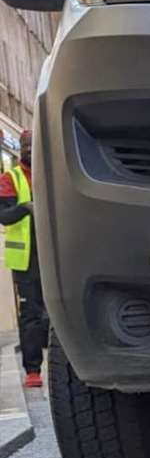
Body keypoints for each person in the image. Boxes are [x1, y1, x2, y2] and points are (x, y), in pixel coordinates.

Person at [1, 129, 48, 388]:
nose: (29, 149)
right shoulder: (11, 177)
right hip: (26, 261)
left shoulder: (50, 174)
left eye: (33, 145)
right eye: (25, 145)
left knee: (55, 310)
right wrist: (25, 208)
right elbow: (3, 215)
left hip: (52, 257)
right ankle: (33, 370)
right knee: (30, 314)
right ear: (20, 148)